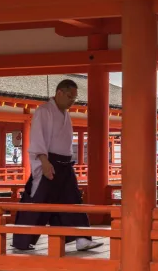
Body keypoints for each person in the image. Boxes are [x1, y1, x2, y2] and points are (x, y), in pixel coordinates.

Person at [12, 79, 102, 251]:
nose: (72, 101)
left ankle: (82, 237)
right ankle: (22, 240)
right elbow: (38, 138)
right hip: (48, 161)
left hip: (65, 163)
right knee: (39, 200)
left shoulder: (65, 113)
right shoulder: (44, 111)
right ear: (59, 93)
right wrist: (44, 162)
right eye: (70, 97)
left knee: (73, 199)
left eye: (74, 98)